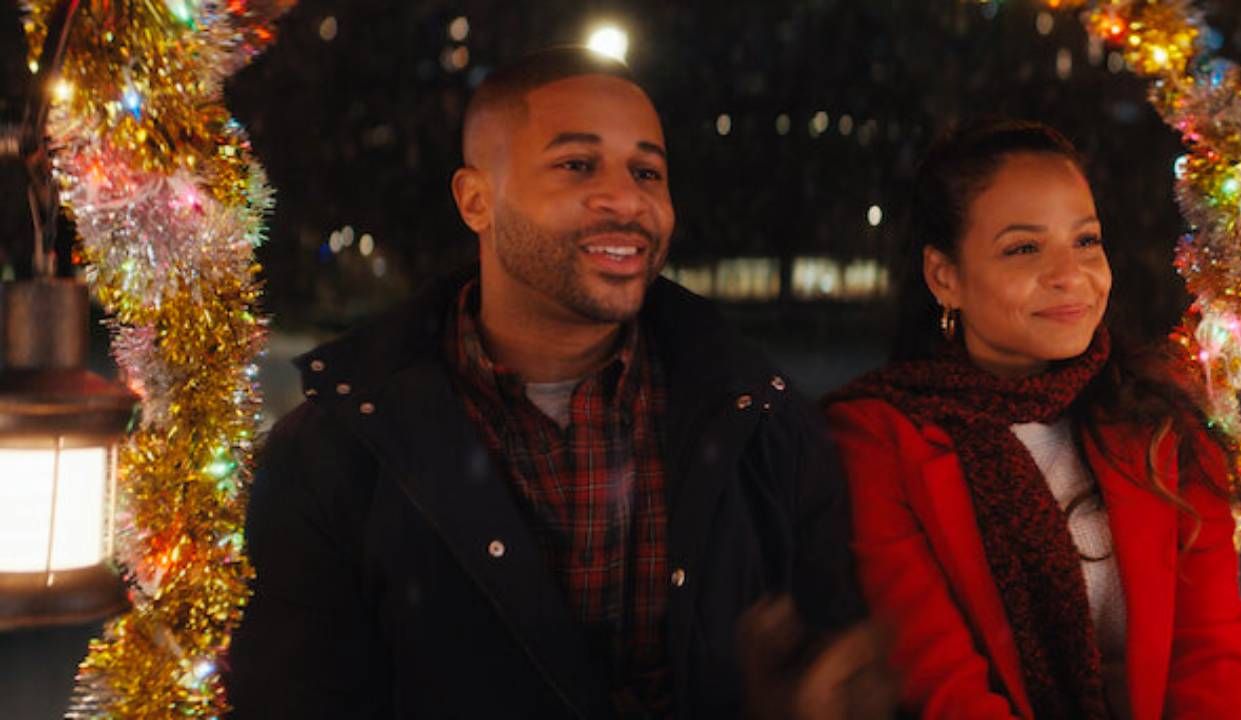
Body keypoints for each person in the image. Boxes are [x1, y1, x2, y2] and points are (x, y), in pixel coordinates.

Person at [227, 46, 885, 718]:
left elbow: (837, 663)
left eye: (647, 172)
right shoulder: (335, 454)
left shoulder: (765, 427)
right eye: (577, 165)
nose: (626, 199)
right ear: (476, 200)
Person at [824, 119, 1241, 719]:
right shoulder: (878, 438)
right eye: (1024, 248)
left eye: (1086, 241)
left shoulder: (1158, 421)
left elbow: (1211, 655)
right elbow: (939, 681)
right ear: (944, 278)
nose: (1070, 274)